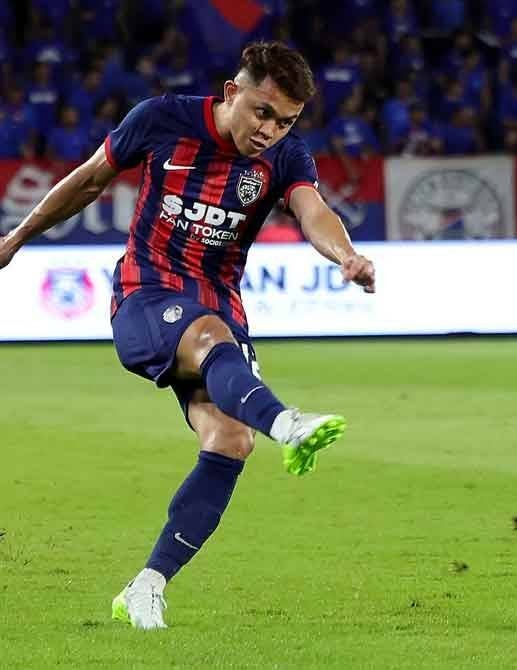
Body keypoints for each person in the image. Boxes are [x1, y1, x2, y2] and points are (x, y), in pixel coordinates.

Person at [0, 41, 376, 630]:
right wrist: (16, 238)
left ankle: (147, 585)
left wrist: (346, 255)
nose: (270, 131)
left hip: (219, 305)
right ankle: (286, 423)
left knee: (230, 439)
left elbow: (313, 212)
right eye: (262, 112)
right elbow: (89, 181)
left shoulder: (285, 157)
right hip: (145, 295)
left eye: (285, 121)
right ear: (232, 92)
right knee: (209, 338)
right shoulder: (162, 120)